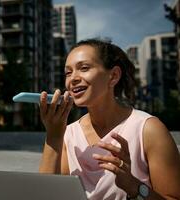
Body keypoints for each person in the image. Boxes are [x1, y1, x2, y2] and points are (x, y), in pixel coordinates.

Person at [38, 39, 180, 200]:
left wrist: (134, 187)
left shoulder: (149, 130)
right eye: (68, 73)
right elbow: (46, 194)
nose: (73, 79)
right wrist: (53, 136)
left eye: (84, 68)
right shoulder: (67, 134)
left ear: (113, 76)